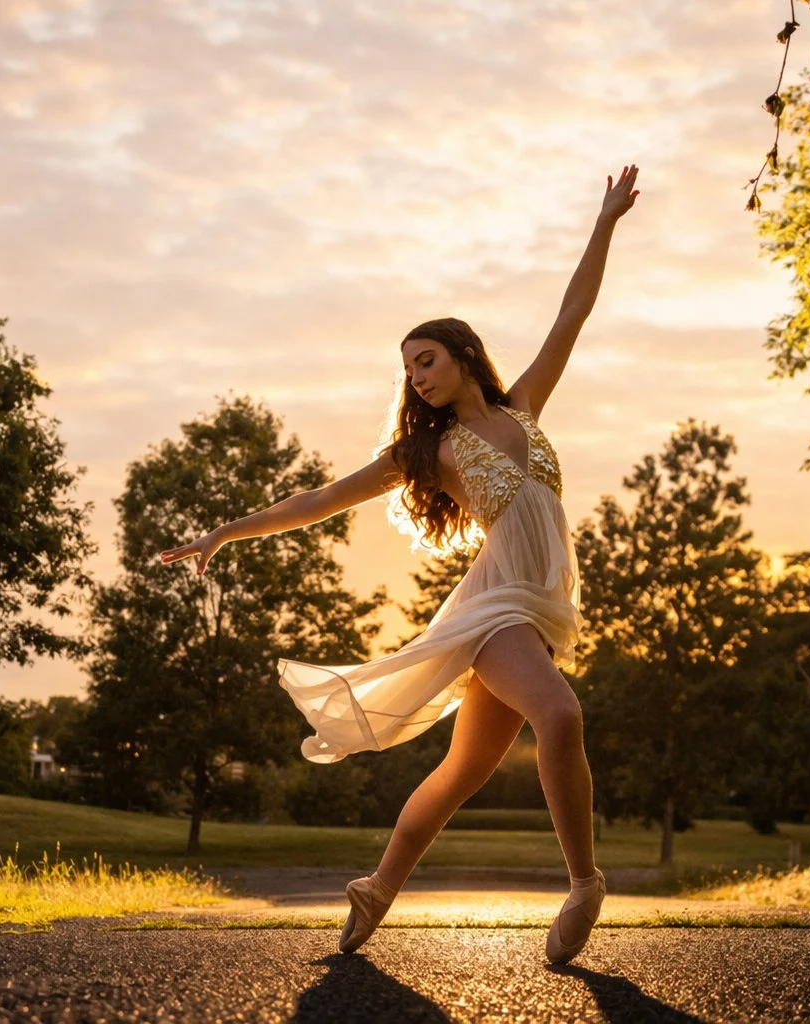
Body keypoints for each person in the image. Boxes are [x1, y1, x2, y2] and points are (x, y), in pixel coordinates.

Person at [159, 165, 641, 963]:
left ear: (461, 355)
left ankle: (376, 890)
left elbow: (572, 314)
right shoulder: (432, 450)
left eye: (426, 359)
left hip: (535, 603)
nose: (416, 375)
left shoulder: (522, 409)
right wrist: (223, 532)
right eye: (409, 368)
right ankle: (586, 884)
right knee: (560, 716)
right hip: (495, 612)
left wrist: (605, 223)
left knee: (462, 772)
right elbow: (316, 499)